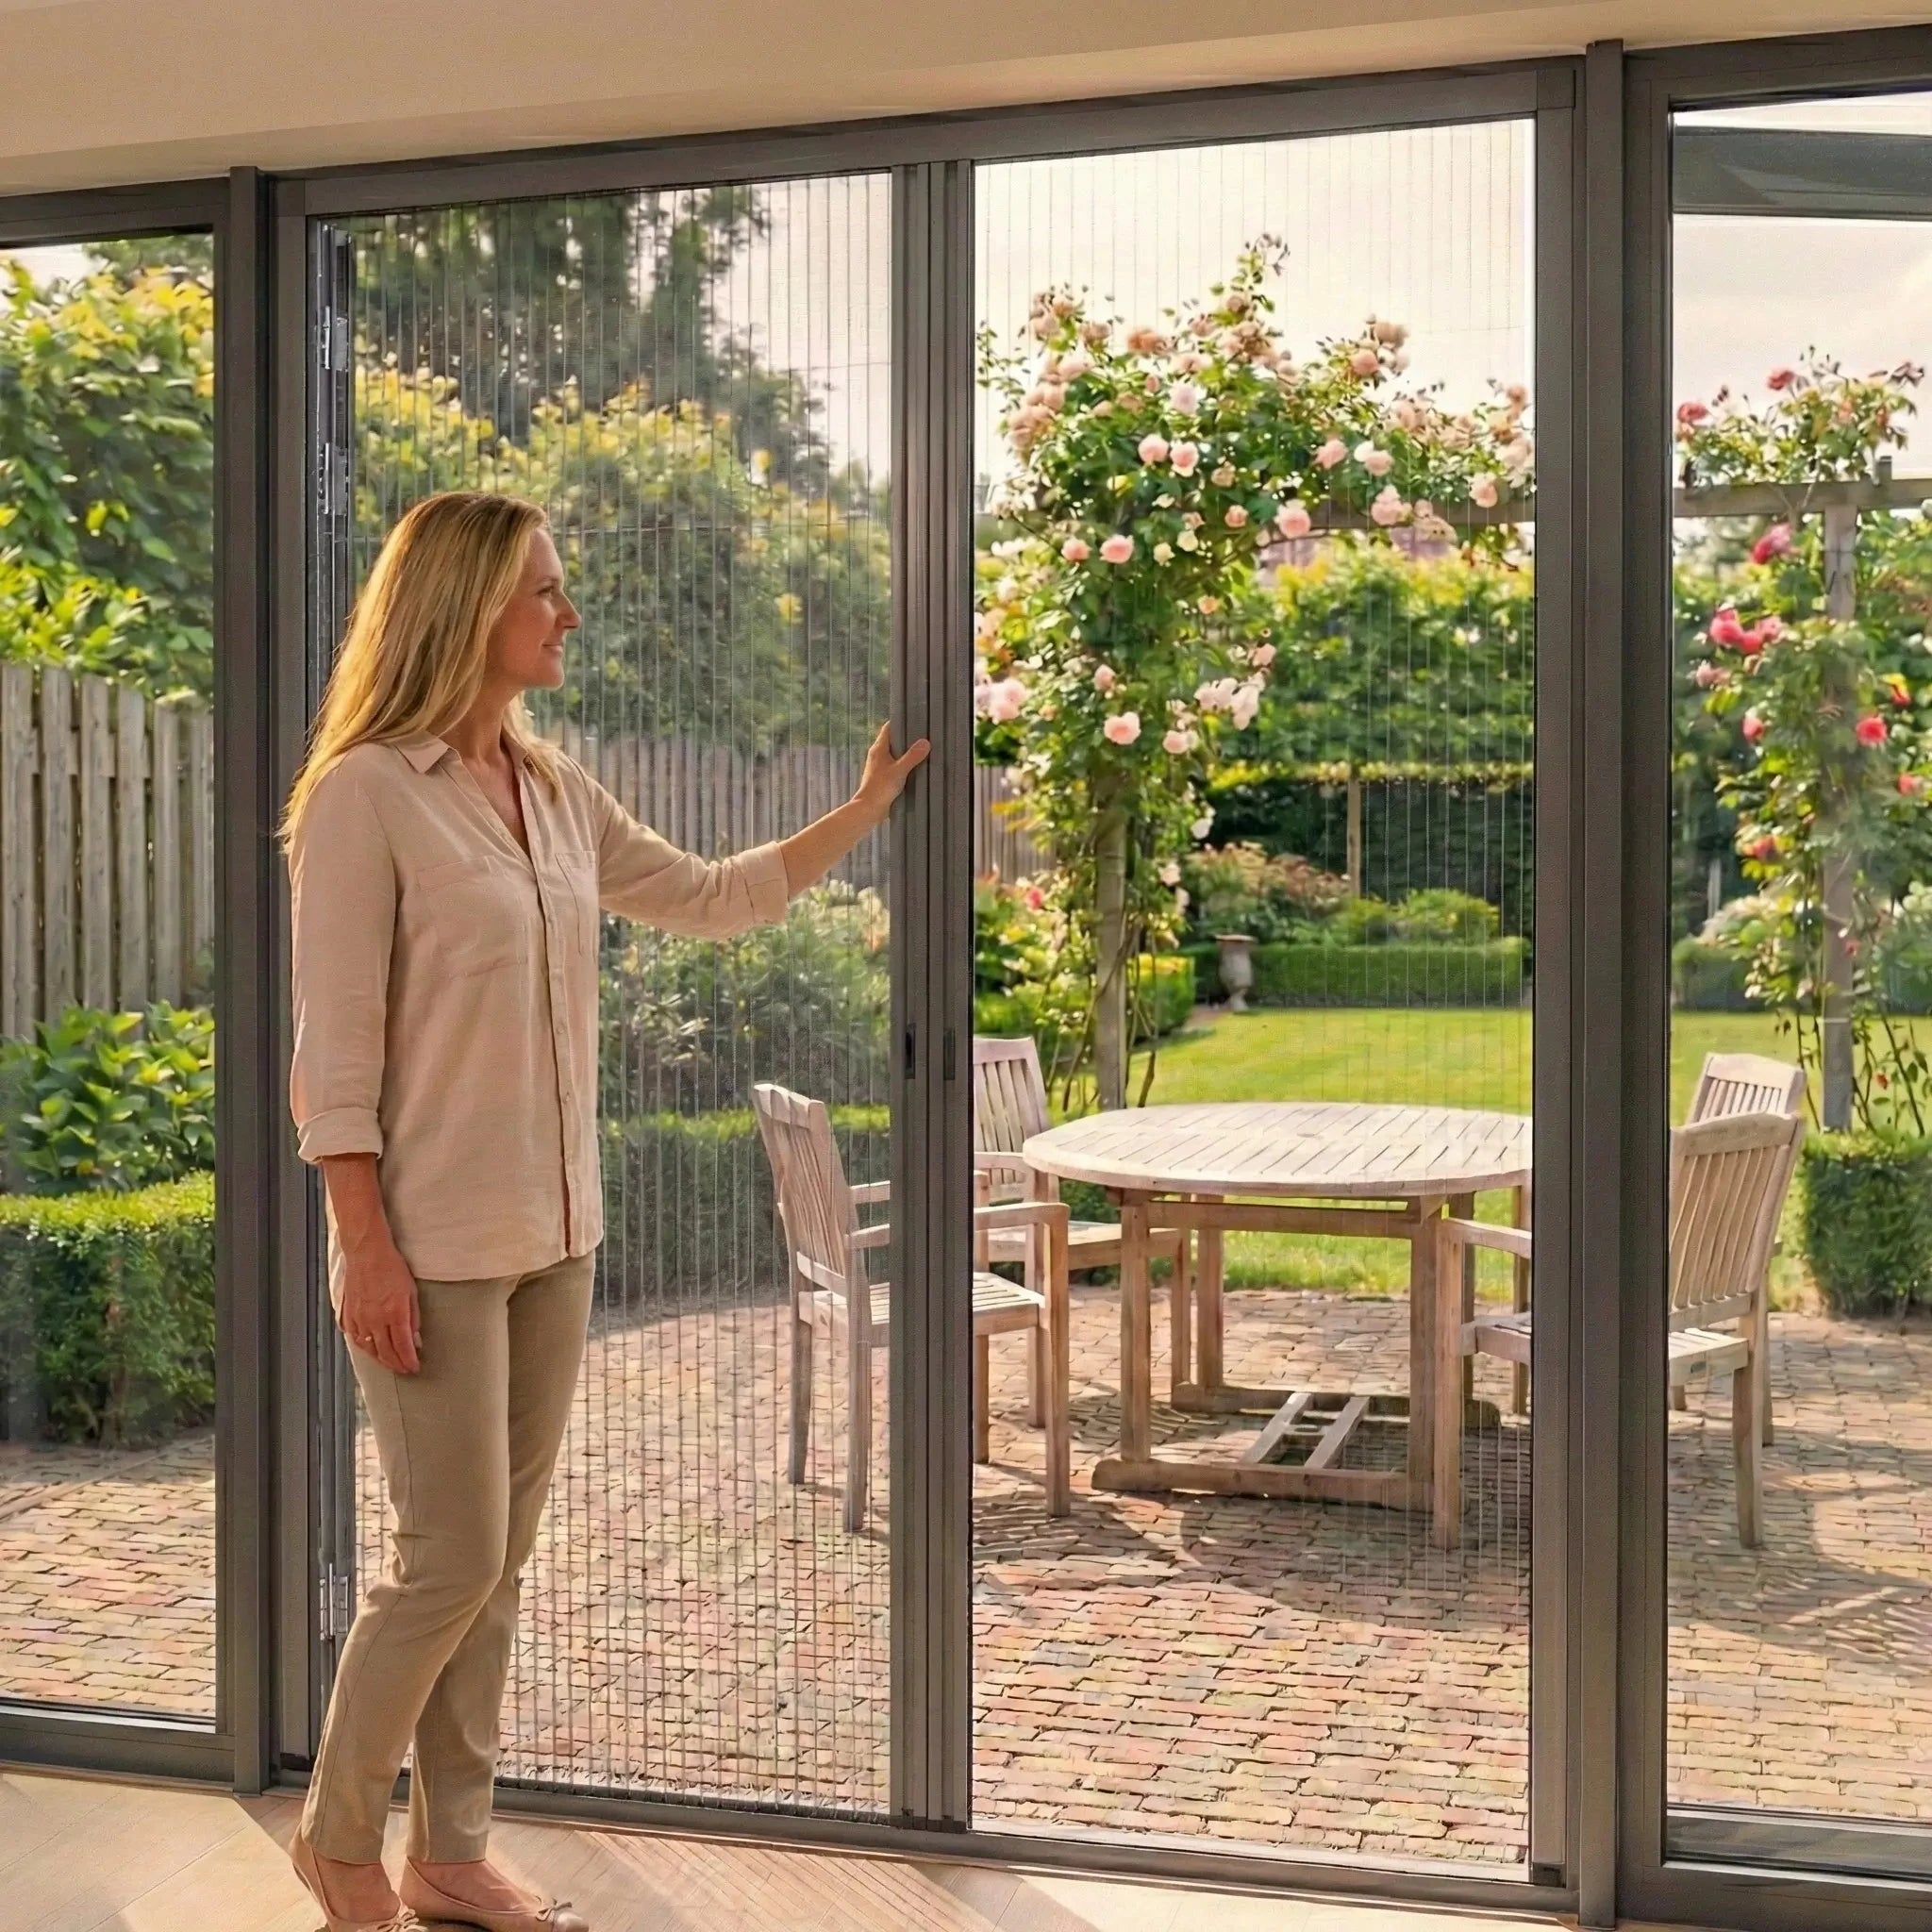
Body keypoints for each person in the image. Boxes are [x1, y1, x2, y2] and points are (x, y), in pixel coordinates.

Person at [282, 491, 926, 1932]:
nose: (568, 615)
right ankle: (336, 1839)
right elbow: (334, 1055)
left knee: (495, 1566)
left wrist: (865, 812)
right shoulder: (364, 796)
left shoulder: (559, 793)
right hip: (431, 1247)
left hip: (555, 1239)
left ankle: (452, 1851)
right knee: (444, 1558)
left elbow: (713, 895)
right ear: (466, 610)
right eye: (546, 594)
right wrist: (361, 1241)